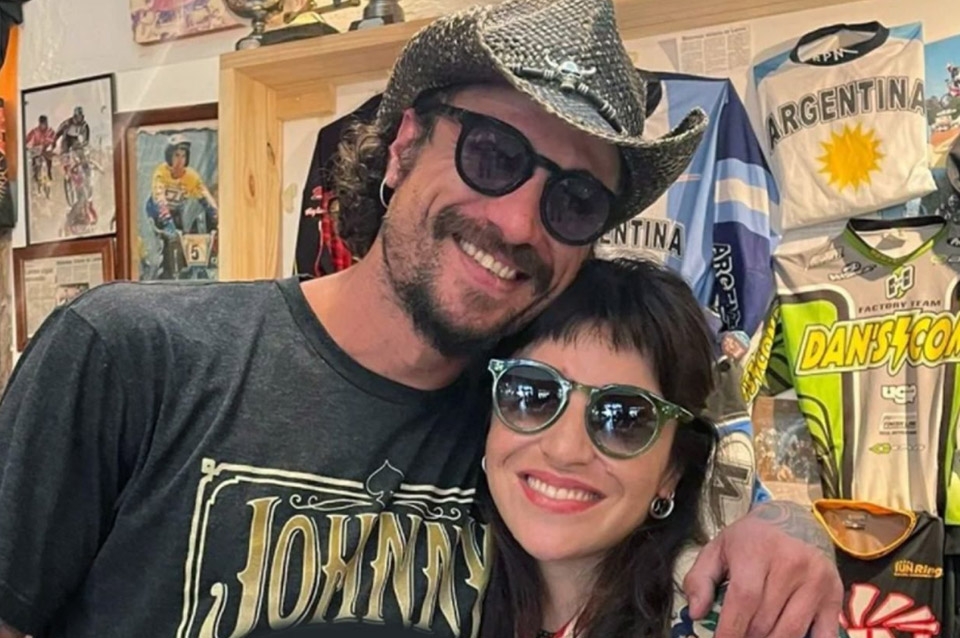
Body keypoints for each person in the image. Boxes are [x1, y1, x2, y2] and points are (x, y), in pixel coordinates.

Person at [0, 0, 842, 637]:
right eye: (492, 155)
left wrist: (791, 529)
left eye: (574, 200)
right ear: (403, 147)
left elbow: (700, 482)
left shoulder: (527, 416)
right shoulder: (129, 353)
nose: (518, 222)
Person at [480, 257, 723, 638]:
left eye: (623, 419)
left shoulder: (723, 619)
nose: (565, 450)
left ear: (672, 469)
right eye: (534, 394)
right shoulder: (435, 579)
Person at [144, 134, 219, 279]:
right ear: (169, 156)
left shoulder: (191, 177)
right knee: (166, 243)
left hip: (175, 212)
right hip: (156, 212)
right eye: (176, 155)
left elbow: (205, 196)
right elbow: (160, 199)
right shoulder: (161, 173)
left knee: (182, 243)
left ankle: (183, 271)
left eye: (183, 156)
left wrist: (216, 215)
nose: (180, 161)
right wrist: (167, 223)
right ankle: (163, 275)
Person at [24, 114, 55, 190]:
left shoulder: (50, 131)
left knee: (48, 159)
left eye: (44, 123)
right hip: (37, 150)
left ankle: (49, 172)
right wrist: (25, 146)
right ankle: (35, 178)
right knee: (34, 163)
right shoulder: (35, 131)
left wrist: (48, 144)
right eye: (42, 123)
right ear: (39, 123)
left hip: (46, 149)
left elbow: (53, 139)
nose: (43, 125)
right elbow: (27, 138)